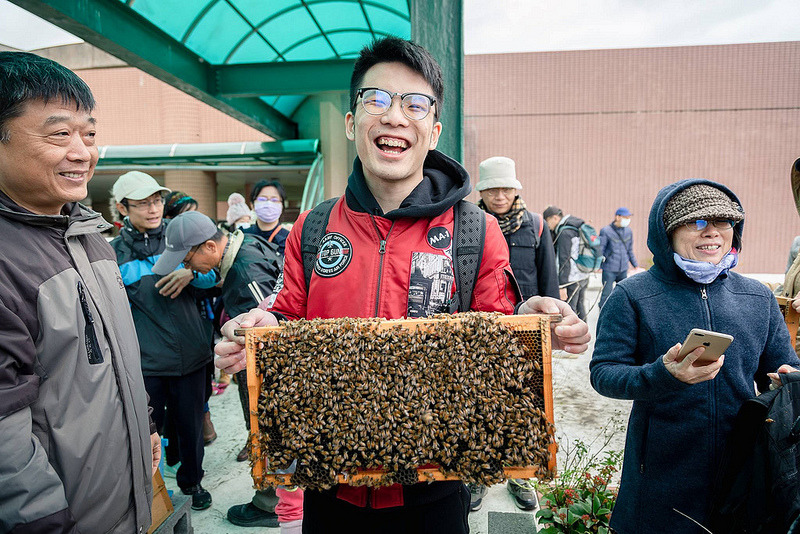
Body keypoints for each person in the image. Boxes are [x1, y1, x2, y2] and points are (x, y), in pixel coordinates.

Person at [214, 37, 590, 534]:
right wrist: (263, 330)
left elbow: (497, 335)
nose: (394, 116)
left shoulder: (476, 231)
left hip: (436, 494)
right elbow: (288, 315)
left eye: (414, 104)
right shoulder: (311, 228)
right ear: (352, 124)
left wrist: (533, 321)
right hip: (330, 489)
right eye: (377, 99)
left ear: (432, 132)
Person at [0, 51, 158, 533]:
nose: (82, 152)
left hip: (122, 502)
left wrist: (144, 422)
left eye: (89, 134)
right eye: (59, 133)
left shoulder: (91, 237)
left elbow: (113, 359)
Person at [589, 179, 800, 533]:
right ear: (666, 231)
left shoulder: (757, 297)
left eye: (724, 223)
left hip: (741, 464)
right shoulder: (632, 295)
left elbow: (780, 367)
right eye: (697, 222)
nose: (713, 233)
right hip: (660, 470)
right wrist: (663, 374)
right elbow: (604, 373)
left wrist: (786, 380)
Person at [152, 210, 301, 530]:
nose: (186, 266)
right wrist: (194, 277)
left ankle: (271, 504)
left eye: (187, 259)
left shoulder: (245, 272)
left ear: (208, 246)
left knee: (271, 432)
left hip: (270, 379)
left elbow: (275, 330)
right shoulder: (243, 248)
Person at [110, 171, 219, 511]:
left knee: (191, 422)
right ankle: (154, 491)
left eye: (156, 200)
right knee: (150, 427)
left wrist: (194, 272)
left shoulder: (180, 236)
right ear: (122, 208)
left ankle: (193, 481)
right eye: (142, 203)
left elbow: (214, 276)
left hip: (192, 353)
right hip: (147, 360)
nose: (153, 209)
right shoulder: (111, 252)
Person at [474, 156, 558, 512]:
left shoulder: (536, 226)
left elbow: (549, 280)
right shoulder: (469, 225)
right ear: (481, 191)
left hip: (526, 335)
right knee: (478, 405)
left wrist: (551, 327)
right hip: (480, 332)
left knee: (523, 405)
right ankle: (475, 475)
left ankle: (519, 475)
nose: (500, 195)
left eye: (506, 188)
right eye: (492, 188)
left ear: (516, 189)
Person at [543, 205, 590, 321]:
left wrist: (562, 285)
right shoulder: (575, 227)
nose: (548, 226)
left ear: (554, 218)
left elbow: (564, 259)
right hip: (583, 274)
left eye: (547, 221)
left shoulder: (565, 232)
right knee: (580, 306)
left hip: (571, 278)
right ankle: (584, 333)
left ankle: (573, 336)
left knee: (570, 309)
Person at [598, 207, 639, 309]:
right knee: (606, 294)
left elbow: (629, 250)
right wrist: (598, 265)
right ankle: (603, 313)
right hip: (609, 269)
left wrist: (635, 265)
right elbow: (601, 250)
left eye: (628, 217)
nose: (627, 220)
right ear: (617, 217)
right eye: (625, 217)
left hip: (623, 268)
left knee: (623, 294)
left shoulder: (628, 231)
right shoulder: (606, 231)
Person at [243, 179, 290, 256]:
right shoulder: (243, 236)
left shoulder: (289, 239)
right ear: (252, 205)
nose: (269, 203)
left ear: (282, 205)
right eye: (262, 199)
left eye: (274, 200)